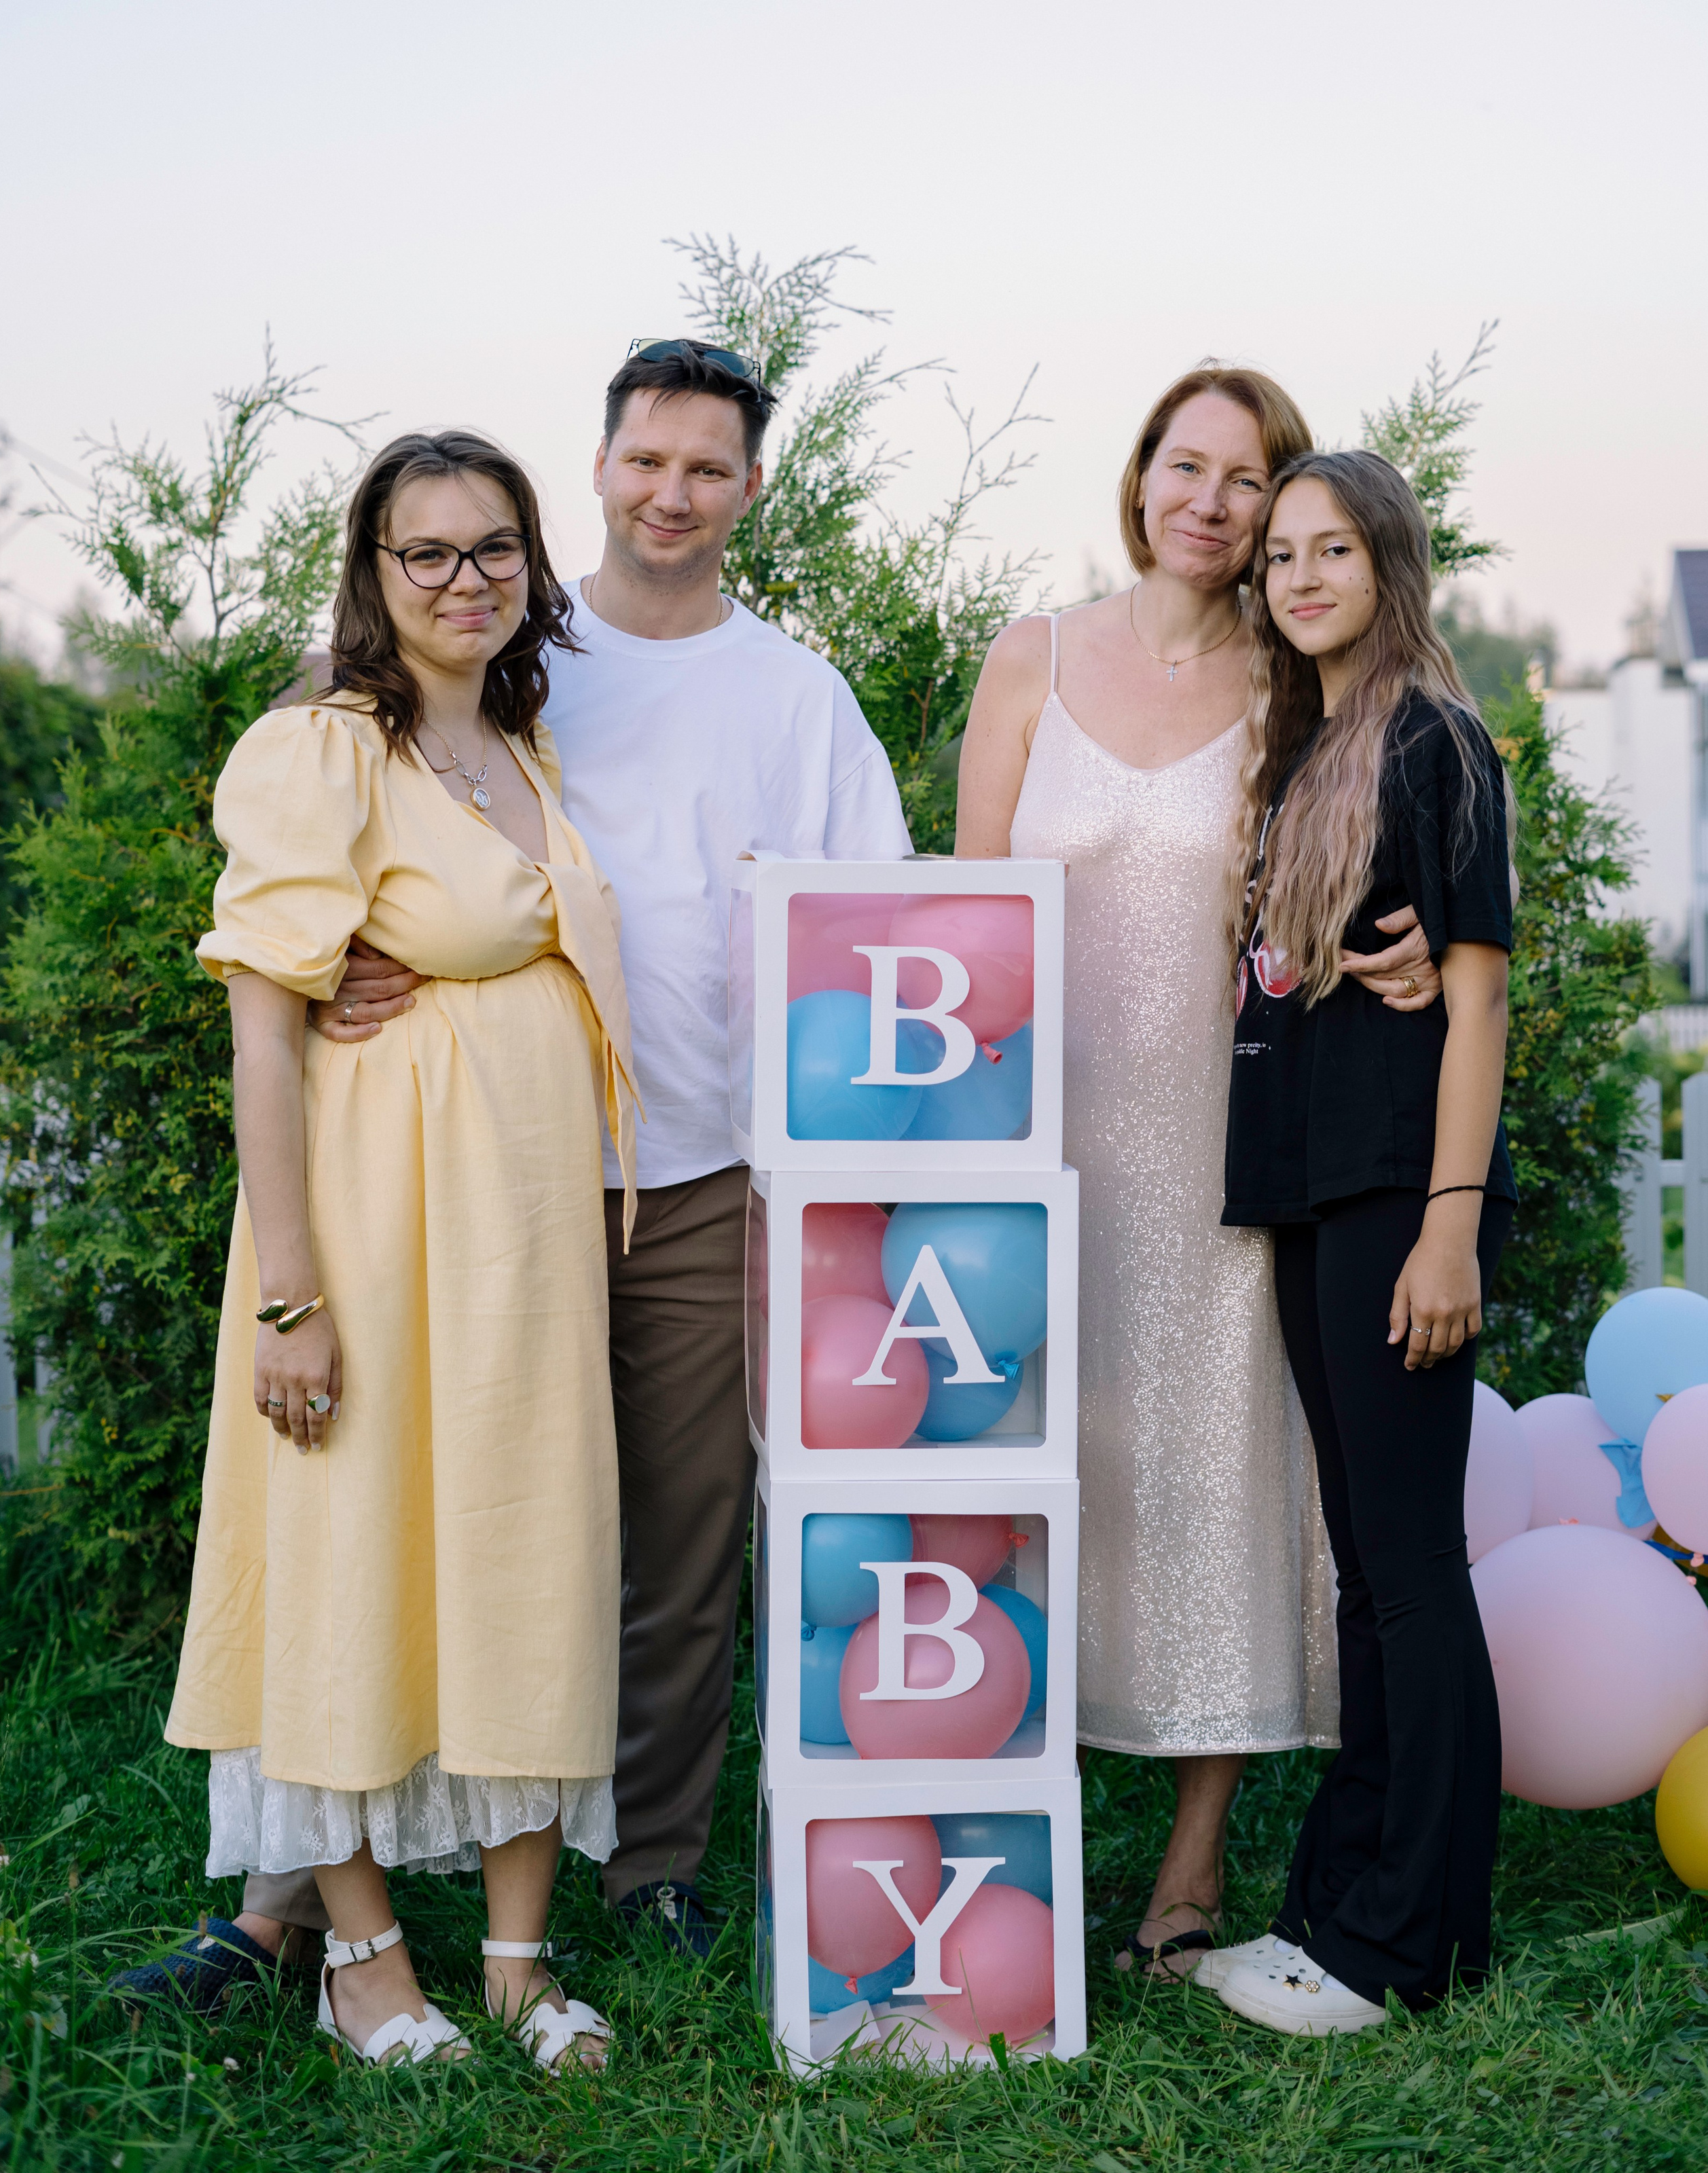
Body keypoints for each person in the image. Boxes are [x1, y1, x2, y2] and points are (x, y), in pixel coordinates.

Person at [130, 340, 912, 1999]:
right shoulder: (509, 654)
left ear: (747, 487)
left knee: (665, 1540)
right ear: (606, 464)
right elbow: (338, 753)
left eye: (708, 466)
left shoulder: (785, 694)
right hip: (457, 1195)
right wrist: (321, 959)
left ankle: (651, 1868)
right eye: (645, 459)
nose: (672, 491)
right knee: (392, 1510)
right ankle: (283, 1907)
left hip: (694, 1169)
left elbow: (880, 933)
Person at [128, 431, 634, 2070]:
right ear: (373, 572)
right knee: (348, 1554)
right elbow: (264, 1036)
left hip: (520, 1245)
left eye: (495, 549)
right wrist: (291, 1295)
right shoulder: (322, 751)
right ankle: (362, 1960)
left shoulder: (516, 744)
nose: (465, 579)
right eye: (427, 554)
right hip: (367, 1226)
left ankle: (513, 1959)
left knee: (522, 1549)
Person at [956, 366, 1442, 1979]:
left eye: (1249, 479)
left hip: (1231, 1144)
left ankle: (1188, 1860)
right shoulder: (1025, 657)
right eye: (1187, 464)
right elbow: (961, 921)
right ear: (1141, 474)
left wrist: (1421, 948)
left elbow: (1356, 865)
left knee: (1216, 1478)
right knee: (1028, 1474)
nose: (1212, 501)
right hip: (1034, 1139)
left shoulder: (1287, 680)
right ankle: (997, 1841)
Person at [1213, 448, 1516, 2036]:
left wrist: (1449, 1227)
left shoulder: (1434, 744)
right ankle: (1340, 1909)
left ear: (1387, 564)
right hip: (1312, 1189)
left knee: (1406, 1570)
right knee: (1364, 1574)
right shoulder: (1304, 753)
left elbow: (1473, 995)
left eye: (1332, 549)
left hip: (1402, 1197)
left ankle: (1411, 1946)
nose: (1300, 575)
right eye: (1278, 555)